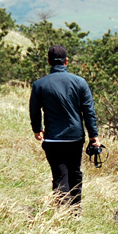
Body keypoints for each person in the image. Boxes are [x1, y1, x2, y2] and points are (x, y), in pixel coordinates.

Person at [29, 44, 100, 212]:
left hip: (53, 138)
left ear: (49, 62)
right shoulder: (80, 82)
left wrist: (37, 129)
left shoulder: (39, 84)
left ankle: (62, 212)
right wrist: (93, 136)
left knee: (60, 175)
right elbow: (88, 111)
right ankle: (75, 211)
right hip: (75, 137)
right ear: (66, 61)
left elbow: (34, 109)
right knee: (75, 172)